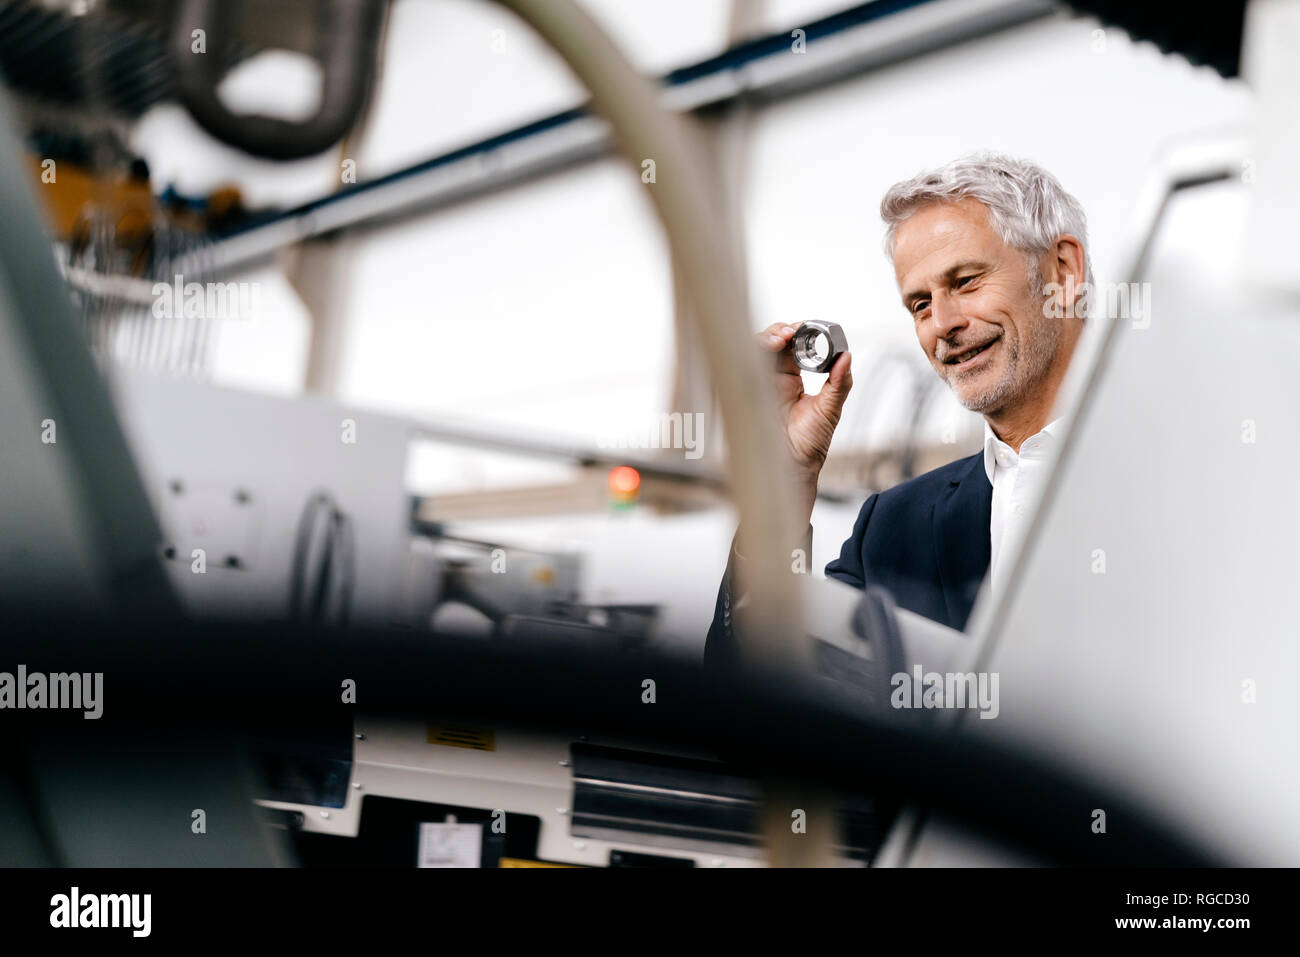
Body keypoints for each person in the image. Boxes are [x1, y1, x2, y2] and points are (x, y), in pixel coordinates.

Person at [705, 153, 1091, 664]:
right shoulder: (890, 529)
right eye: (920, 304)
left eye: (965, 281)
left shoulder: (1200, 473)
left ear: (1062, 271)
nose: (942, 323)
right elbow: (762, 705)